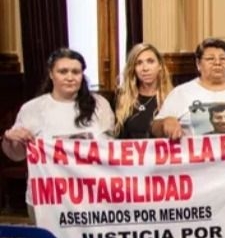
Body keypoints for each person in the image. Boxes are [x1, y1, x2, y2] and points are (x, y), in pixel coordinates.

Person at [2, 49, 115, 219]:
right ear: (51, 74)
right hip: (47, 199)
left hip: (92, 195)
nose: (70, 77)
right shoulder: (32, 108)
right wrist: (10, 139)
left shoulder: (100, 105)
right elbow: (17, 155)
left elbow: (109, 148)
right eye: (63, 71)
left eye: (76, 72)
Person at [153, 38, 225, 138]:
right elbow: (155, 127)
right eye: (210, 59)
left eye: (223, 59)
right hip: (197, 161)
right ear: (198, 64)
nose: (217, 63)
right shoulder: (181, 92)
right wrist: (165, 123)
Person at [115, 43, 173, 139]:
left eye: (150, 61)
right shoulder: (122, 98)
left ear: (160, 66)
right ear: (133, 69)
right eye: (139, 63)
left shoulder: (172, 97)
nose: (145, 68)